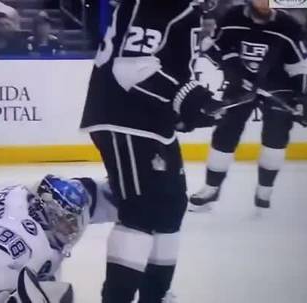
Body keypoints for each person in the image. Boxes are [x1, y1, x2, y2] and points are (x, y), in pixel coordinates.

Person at [80, 1, 223, 302]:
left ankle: (154, 294)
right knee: (140, 212)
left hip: (150, 121)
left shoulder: (182, 8)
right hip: (124, 118)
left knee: (171, 206)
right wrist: (189, 98)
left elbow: (165, 67)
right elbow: (130, 68)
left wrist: (188, 110)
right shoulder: (159, 4)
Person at [189, 0, 307, 212]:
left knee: (276, 136)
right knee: (226, 131)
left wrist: (303, 99)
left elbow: (297, 66)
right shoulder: (233, 17)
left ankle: (265, 190)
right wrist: (231, 64)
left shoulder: (288, 25)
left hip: (277, 85)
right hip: (240, 83)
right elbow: (211, 46)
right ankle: (211, 188)